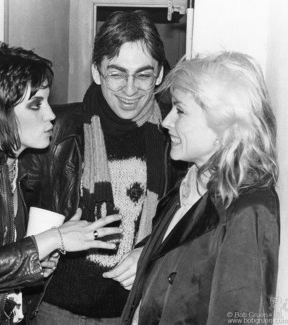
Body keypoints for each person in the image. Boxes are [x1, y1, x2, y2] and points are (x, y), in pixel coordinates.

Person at [0, 43, 123, 325]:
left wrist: (38, 262)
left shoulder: (12, 167)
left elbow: (1, 261)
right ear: (0, 110)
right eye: (36, 104)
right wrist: (55, 238)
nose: (51, 114)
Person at [19, 10, 184, 325]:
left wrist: (150, 252)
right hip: (55, 311)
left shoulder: (174, 135)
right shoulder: (57, 131)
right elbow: (7, 214)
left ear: (160, 74)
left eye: (143, 74)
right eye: (117, 73)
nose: (130, 89)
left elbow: (189, 220)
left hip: (131, 311)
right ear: (96, 71)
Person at [120, 51, 280, 325]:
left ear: (222, 124)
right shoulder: (189, 181)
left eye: (180, 110)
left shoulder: (249, 208)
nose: (166, 121)